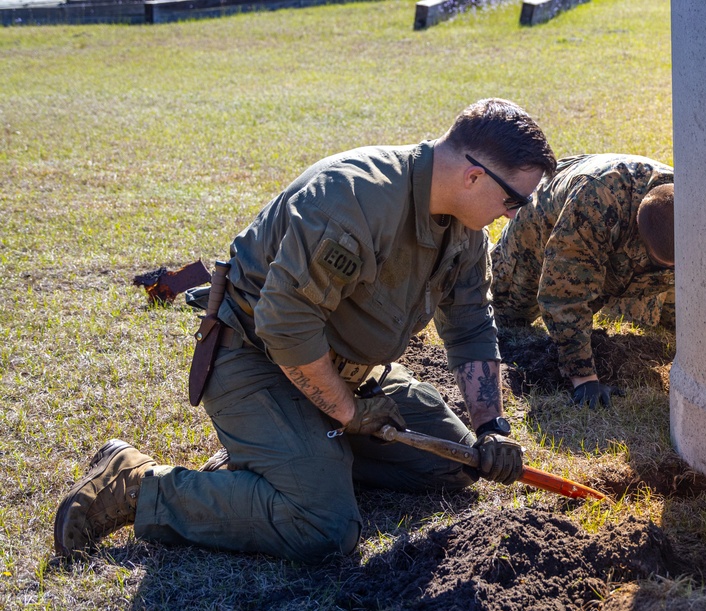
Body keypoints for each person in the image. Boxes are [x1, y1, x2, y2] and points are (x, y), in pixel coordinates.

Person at [54, 98, 558, 565]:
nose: (514, 215)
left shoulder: (464, 230)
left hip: (348, 371)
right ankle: (140, 486)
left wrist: (492, 426)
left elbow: (471, 322)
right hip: (258, 359)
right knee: (324, 526)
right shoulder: (355, 199)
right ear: (473, 177)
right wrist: (348, 411)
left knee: (457, 464)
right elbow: (286, 327)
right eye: (515, 200)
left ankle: (283, 459)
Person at [489, 154, 674, 409]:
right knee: (506, 315)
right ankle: (476, 254)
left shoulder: (697, 206)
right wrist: (584, 377)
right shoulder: (595, 203)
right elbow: (564, 295)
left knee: (676, 318)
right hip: (541, 227)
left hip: (616, 232)